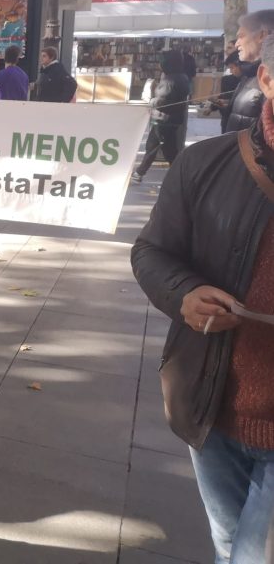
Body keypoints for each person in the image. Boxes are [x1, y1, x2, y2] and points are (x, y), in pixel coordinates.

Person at [131, 31, 274, 564]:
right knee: (227, 547)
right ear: (265, 78)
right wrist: (184, 294)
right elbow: (151, 252)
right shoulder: (204, 165)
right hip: (212, 410)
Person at [132, 49, 191, 183]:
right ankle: (140, 172)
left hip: (164, 119)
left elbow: (162, 101)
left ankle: (181, 175)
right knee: (159, 147)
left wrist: (150, 101)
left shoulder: (170, 79)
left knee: (163, 149)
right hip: (171, 119)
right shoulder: (182, 76)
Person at [226, 10, 274, 133]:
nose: (237, 44)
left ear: (262, 35)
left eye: (241, 36)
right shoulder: (249, 74)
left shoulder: (269, 76)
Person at [214, 52, 243, 134]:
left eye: (232, 68)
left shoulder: (247, 80)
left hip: (240, 123)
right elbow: (223, 96)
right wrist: (214, 106)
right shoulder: (226, 79)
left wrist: (228, 102)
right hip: (227, 117)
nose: (231, 70)